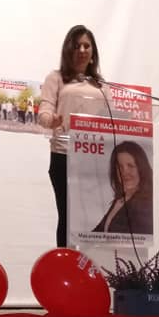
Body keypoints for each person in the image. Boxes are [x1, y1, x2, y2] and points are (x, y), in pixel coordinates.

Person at [38, 24, 109, 247]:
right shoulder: (56, 78)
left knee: (93, 219)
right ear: (68, 50)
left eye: (87, 46)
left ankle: (88, 263)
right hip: (64, 155)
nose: (82, 50)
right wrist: (51, 120)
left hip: (95, 158)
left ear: (93, 52)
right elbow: (44, 112)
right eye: (77, 46)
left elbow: (111, 119)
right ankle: (66, 263)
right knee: (68, 217)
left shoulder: (101, 85)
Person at [93, 141, 153, 235]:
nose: (124, 172)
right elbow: (99, 232)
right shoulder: (120, 200)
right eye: (120, 167)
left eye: (130, 166)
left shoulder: (146, 204)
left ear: (142, 168)